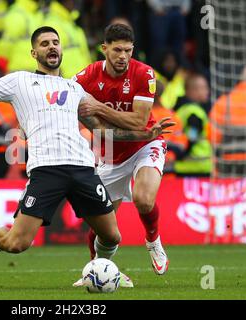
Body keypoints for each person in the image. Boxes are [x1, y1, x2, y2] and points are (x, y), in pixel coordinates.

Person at [0, 26, 174, 281]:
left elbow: (103, 131)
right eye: (44, 43)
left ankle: (100, 274)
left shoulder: (74, 88)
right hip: (46, 170)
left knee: (112, 235)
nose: (52, 47)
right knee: (17, 243)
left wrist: (144, 135)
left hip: (82, 169)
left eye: (55, 42)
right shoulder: (19, 82)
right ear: (34, 52)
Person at [72, 24, 171, 287]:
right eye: (117, 50)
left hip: (145, 144)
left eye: (128, 50)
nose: (122, 56)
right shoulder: (88, 76)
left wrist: (98, 107)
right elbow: (65, 100)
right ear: (104, 48)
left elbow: (139, 122)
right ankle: (96, 271)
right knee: (102, 229)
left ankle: (153, 241)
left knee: (143, 200)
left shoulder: (144, 73)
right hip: (110, 155)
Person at [173, 73, 212, 176]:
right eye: (204, 88)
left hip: (183, 167)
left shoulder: (181, 109)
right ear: (193, 91)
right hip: (196, 168)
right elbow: (192, 135)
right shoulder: (194, 112)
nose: (207, 92)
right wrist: (184, 154)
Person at [44, 0, 92, 78]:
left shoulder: (72, 25)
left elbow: (85, 55)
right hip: (66, 83)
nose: (75, 2)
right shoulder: (51, 23)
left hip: (83, 81)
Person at [0, 0, 44, 72]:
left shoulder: (36, 13)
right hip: (18, 70)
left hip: (36, 68)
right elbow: (6, 44)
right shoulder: (16, 14)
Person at [151, 80, 187, 174]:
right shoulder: (172, 116)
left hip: (157, 169)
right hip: (166, 168)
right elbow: (181, 146)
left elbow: (181, 146)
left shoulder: (139, 115)